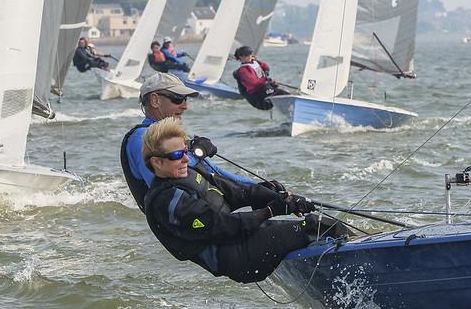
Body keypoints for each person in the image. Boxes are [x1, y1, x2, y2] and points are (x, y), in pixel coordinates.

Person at [142, 117, 328, 283]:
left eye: (184, 151)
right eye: (176, 155)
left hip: (243, 239)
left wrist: (279, 197)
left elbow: (238, 192)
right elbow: (225, 225)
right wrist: (272, 210)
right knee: (313, 227)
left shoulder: (187, 173)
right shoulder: (166, 201)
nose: (185, 159)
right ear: (157, 162)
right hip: (236, 258)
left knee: (322, 225)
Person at [121, 72, 263, 213]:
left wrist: (260, 188)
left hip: (214, 216)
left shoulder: (171, 137)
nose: (185, 106)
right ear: (155, 100)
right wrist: (197, 155)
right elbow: (166, 185)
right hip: (189, 226)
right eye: (178, 98)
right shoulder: (141, 138)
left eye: (186, 99)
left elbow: (215, 172)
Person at [232, 45, 289, 110]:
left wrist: (271, 84)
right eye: (246, 55)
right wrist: (267, 81)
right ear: (241, 57)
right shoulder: (243, 70)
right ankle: (290, 108)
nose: (249, 56)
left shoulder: (254, 63)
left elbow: (266, 68)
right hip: (258, 98)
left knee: (284, 93)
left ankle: (290, 109)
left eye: (250, 54)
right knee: (281, 93)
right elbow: (253, 83)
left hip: (263, 90)